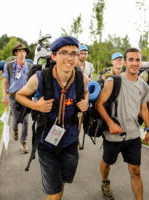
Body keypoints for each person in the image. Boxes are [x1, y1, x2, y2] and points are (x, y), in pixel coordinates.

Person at [16, 36, 89, 200]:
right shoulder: (40, 78)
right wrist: (36, 106)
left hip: (70, 142)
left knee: (61, 182)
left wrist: (86, 101)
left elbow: (86, 92)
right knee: (54, 193)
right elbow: (19, 95)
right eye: (64, 53)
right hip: (46, 142)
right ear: (54, 56)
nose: (70, 58)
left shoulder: (81, 78)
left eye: (74, 53)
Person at [95, 48, 149, 200]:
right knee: (107, 163)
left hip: (133, 135)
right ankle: (105, 181)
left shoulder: (143, 85)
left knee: (136, 171)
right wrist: (110, 124)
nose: (134, 63)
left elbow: (144, 108)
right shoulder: (113, 81)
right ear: (125, 62)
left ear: (141, 62)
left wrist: (148, 128)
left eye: (137, 60)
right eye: (131, 60)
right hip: (114, 135)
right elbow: (99, 104)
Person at [1, 43, 31, 153]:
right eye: (20, 51)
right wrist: (4, 96)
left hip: (26, 97)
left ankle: (24, 142)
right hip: (13, 97)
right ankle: (14, 129)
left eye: (24, 51)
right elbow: (4, 82)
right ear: (16, 53)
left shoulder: (29, 66)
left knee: (26, 120)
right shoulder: (9, 66)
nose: (22, 53)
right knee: (16, 119)